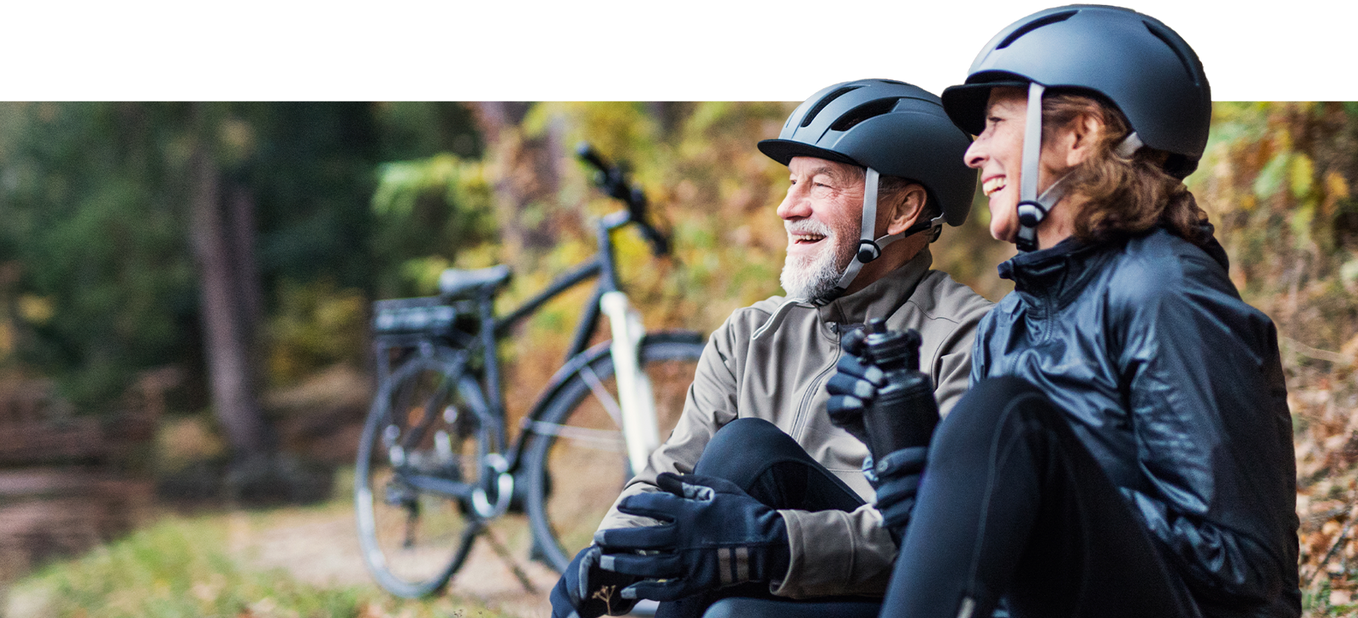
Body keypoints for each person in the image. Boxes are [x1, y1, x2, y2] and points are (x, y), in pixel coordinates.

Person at [829, 5, 1300, 617]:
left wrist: (1037, 481)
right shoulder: (1008, 324)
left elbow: (1242, 566)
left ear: (1080, 135)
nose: (972, 155)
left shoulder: (1165, 291)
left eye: (995, 123)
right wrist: (905, 447)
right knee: (752, 466)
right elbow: (966, 570)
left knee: (1000, 419)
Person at [549, 76, 994, 618]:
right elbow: (672, 472)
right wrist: (609, 554)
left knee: (748, 452)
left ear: (902, 211)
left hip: (891, 598)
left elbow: (946, 535)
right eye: (791, 183)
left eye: (821, 185)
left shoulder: (967, 338)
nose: (788, 208)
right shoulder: (748, 334)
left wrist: (770, 540)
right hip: (750, 591)